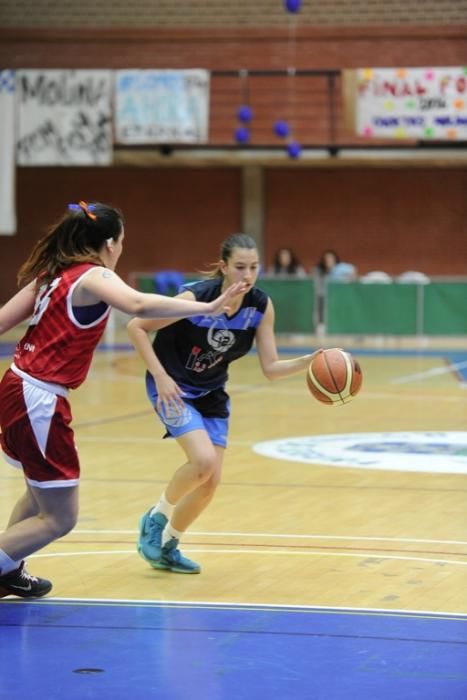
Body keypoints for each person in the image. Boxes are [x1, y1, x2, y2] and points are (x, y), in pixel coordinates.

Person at [0, 200, 244, 599]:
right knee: (60, 517)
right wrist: (207, 305)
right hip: (38, 396)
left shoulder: (50, 274)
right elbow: (137, 304)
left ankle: (8, 569)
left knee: (38, 491)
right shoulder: (91, 275)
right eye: (123, 242)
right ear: (110, 243)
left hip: (16, 385)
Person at [128, 233, 318, 575]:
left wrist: (310, 361)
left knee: (210, 480)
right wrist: (159, 376)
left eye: (254, 267)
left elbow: (271, 368)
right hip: (172, 387)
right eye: (240, 267)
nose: (248, 275)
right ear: (224, 267)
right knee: (201, 461)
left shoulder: (260, 306)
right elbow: (137, 326)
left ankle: (169, 545)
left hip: (212, 393)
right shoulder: (196, 297)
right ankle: (155, 519)